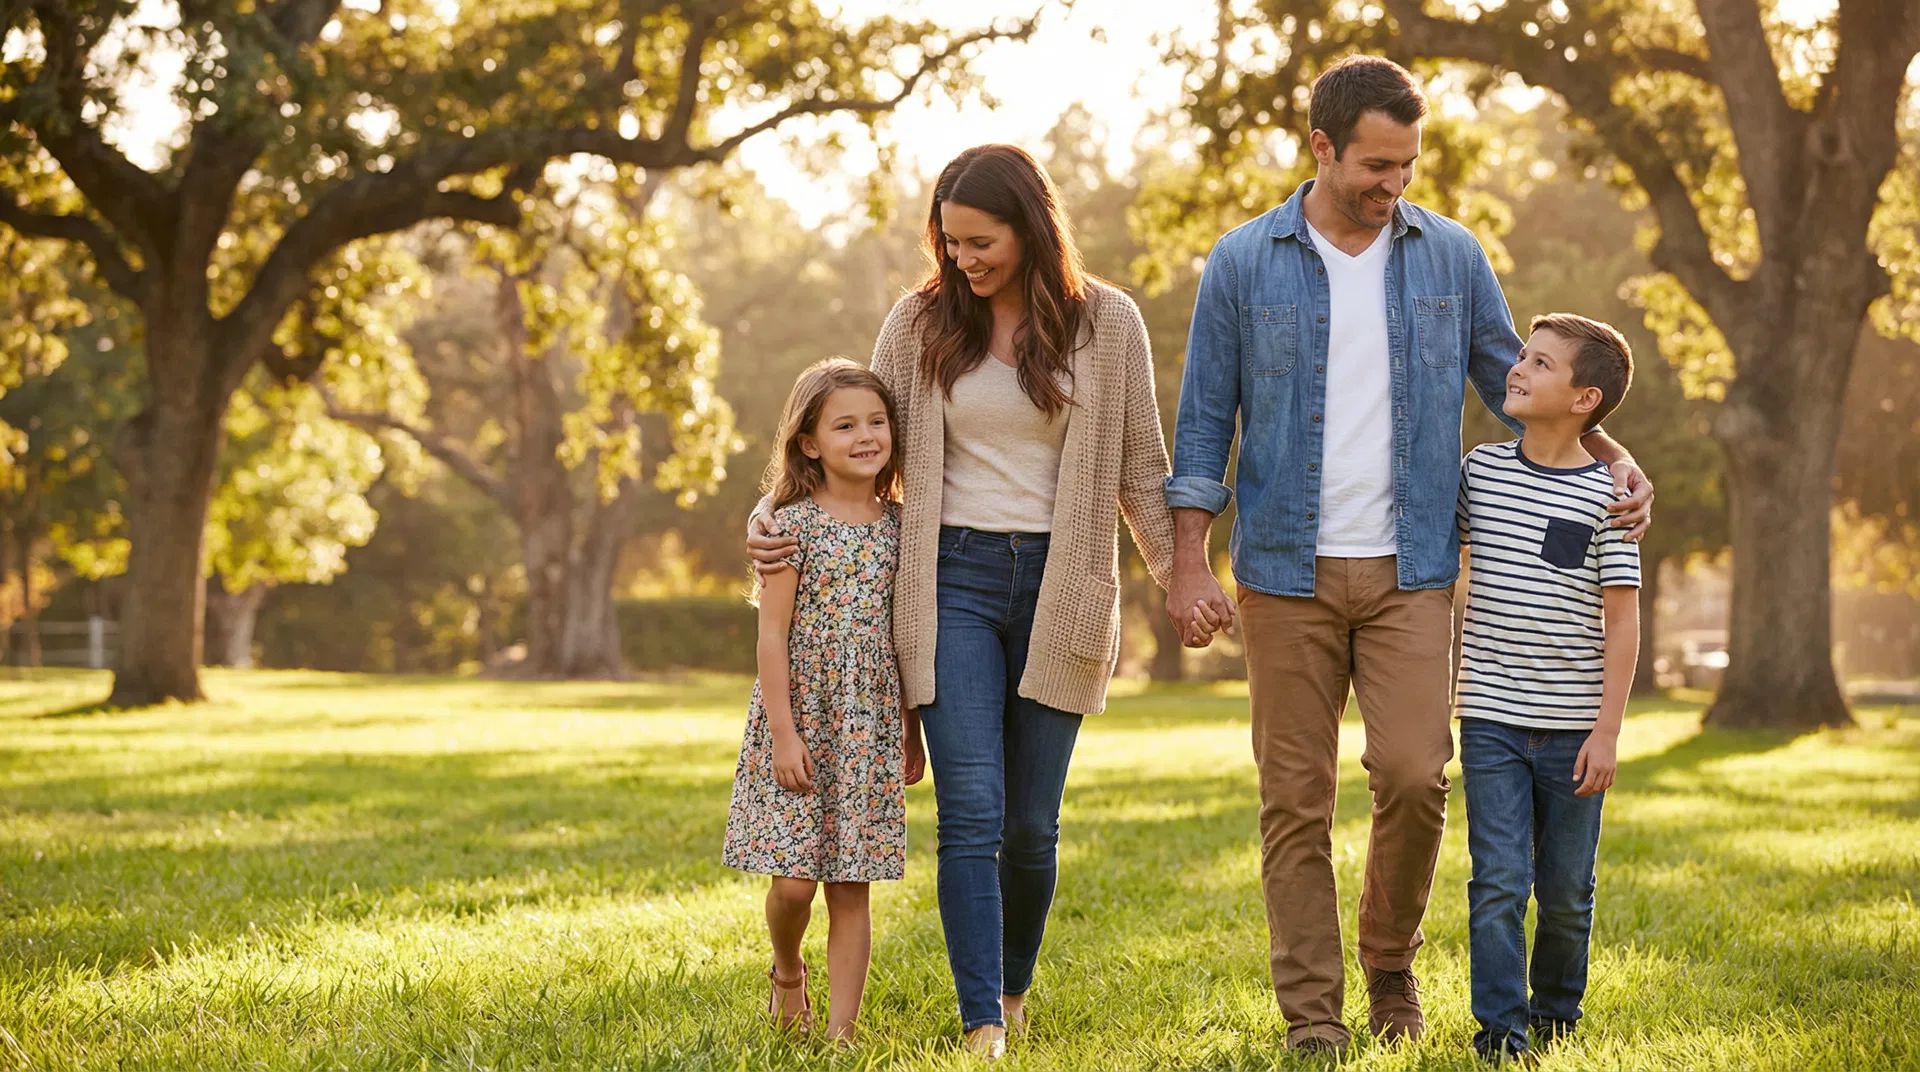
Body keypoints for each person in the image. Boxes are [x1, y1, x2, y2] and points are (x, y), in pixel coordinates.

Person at [1166, 56, 1653, 1053]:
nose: (1394, 185)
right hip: (1283, 574)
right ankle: (1313, 1015)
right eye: (1377, 166)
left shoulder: (1449, 256)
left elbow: (1517, 377)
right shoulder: (1243, 262)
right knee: (1294, 801)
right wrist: (1185, 562)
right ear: (1321, 146)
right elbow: (1206, 422)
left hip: (1414, 568)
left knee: (1411, 773)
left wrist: (1614, 454)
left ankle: (1389, 963)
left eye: (1408, 166)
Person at [749, 144, 1224, 1059]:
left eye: (980, 241)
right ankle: (980, 1027)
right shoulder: (919, 321)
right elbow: (851, 439)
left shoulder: (1110, 324)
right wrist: (770, 522)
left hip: (1064, 585)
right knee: (970, 812)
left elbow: (1140, 467)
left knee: (1029, 826)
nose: (963, 259)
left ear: (1031, 226)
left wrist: (1186, 575)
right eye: (950, 242)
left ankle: (1010, 992)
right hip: (949, 581)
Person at [722, 358, 927, 1046]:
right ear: (810, 442)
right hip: (801, 715)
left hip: (870, 722)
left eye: (876, 422)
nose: (866, 436)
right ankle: (787, 971)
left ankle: (842, 1033)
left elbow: (903, 641)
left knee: (850, 886)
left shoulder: (904, 528)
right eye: (845, 425)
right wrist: (783, 733)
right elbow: (772, 638)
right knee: (794, 887)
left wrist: (909, 732)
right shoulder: (789, 526)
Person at [1454, 314, 1640, 1064]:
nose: (1517, 370)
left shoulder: (1611, 498)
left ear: (1584, 398)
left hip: (1574, 732)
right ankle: (1502, 1032)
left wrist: (1608, 732)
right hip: (1491, 721)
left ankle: (1558, 1015)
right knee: (1498, 882)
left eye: (1540, 363)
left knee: (1565, 892)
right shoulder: (1480, 472)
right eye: (1522, 357)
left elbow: (1623, 624)